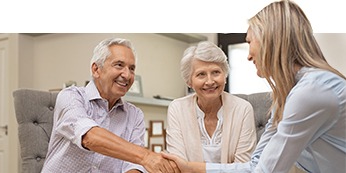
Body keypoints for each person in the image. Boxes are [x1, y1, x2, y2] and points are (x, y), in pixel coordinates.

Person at [162, 0, 346, 173]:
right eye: (201, 74)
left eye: (250, 41)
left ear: (270, 40)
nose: (249, 55)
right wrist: (191, 167)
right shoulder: (287, 96)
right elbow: (256, 165)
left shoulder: (311, 92)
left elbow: (265, 171)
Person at [41, 38, 178, 173]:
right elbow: (89, 137)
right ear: (96, 69)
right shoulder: (70, 96)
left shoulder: (135, 115)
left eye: (131, 68)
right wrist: (146, 156)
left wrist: (141, 163)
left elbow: (132, 165)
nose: (127, 75)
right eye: (119, 65)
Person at [166, 41, 257, 164]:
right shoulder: (177, 108)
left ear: (225, 76)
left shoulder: (243, 109)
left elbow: (243, 167)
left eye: (216, 72)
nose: (209, 81)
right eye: (201, 74)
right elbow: (178, 163)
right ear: (189, 81)